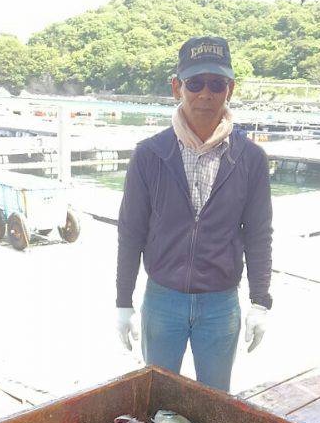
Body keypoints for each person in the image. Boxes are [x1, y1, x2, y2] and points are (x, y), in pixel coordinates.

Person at [115, 36, 273, 392]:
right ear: (177, 87)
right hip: (162, 299)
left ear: (230, 89)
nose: (205, 93)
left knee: (214, 401)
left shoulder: (251, 159)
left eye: (216, 84)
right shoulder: (149, 155)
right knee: (158, 400)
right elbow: (131, 232)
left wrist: (260, 301)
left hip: (221, 304)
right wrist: (123, 302)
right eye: (195, 82)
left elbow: (258, 233)